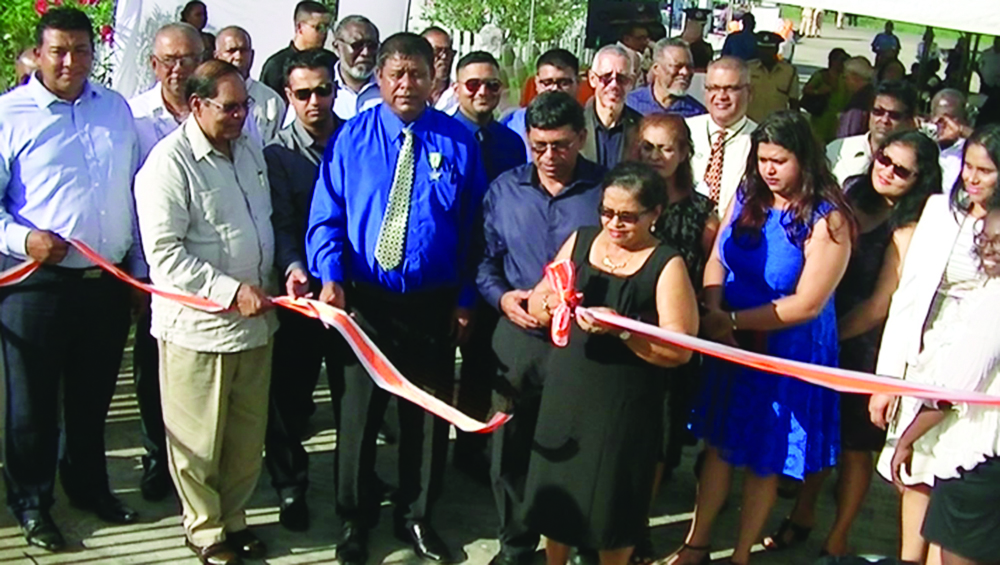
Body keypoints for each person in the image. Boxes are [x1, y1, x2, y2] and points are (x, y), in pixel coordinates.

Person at [306, 32, 487, 565]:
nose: (407, 84)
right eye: (396, 74)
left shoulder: (457, 142)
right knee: (359, 417)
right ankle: (353, 519)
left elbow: (475, 228)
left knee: (426, 417)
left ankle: (417, 515)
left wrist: (465, 297)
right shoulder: (351, 140)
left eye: (418, 74)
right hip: (365, 303)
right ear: (380, 78)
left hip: (432, 303)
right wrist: (331, 275)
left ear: (434, 78)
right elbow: (327, 217)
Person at [668, 110, 854, 565]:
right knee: (720, 445)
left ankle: (741, 555)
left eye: (780, 160)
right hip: (730, 336)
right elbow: (717, 258)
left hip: (786, 348)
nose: (769, 169)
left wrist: (732, 322)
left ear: (804, 160)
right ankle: (697, 542)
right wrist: (713, 310)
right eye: (763, 159)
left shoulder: (828, 220)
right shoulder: (749, 194)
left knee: (764, 456)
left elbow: (808, 303)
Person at [0, 7, 142, 552]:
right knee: (31, 407)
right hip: (36, 284)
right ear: (38, 53)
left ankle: (88, 487)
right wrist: (23, 240)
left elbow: (130, 193)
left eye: (80, 50)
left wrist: (133, 272)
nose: (69, 61)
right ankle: (32, 503)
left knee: (92, 399)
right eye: (58, 50)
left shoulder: (115, 110)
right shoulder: (12, 115)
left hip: (103, 285)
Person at [763, 130, 941, 557]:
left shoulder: (911, 229)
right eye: (884, 159)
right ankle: (802, 515)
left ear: (921, 179)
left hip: (863, 348)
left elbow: (881, 304)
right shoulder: (850, 195)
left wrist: (831, 338)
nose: (887, 171)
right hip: (819, 325)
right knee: (817, 436)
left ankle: (838, 535)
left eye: (901, 170)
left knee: (855, 449)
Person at [135, 59, 276, 565]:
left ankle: (235, 518)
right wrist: (228, 289)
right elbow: (165, 255)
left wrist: (287, 271)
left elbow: (263, 224)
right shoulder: (167, 165)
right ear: (197, 105)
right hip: (199, 330)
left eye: (245, 106)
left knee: (244, 435)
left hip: (256, 327)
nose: (240, 115)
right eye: (229, 107)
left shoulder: (248, 151)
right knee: (198, 439)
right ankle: (204, 528)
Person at [521, 162, 699, 565]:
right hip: (569, 392)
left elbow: (680, 349)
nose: (614, 224)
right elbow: (538, 298)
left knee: (613, 504)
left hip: (624, 402)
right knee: (558, 487)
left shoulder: (666, 264)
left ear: (655, 214)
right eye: (606, 212)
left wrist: (622, 330)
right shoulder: (581, 241)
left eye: (627, 216)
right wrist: (552, 303)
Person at [478, 90, 605, 565]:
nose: (550, 157)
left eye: (562, 146)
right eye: (539, 146)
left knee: (578, 447)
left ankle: (575, 542)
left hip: (582, 343)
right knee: (510, 446)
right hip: (519, 338)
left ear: (582, 138)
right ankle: (515, 543)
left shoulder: (603, 193)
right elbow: (486, 262)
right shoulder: (504, 190)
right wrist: (503, 298)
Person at [870, 124, 1000, 565]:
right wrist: (887, 380)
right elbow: (906, 299)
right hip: (924, 355)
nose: (973, 178)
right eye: (968, 167)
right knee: (913, 471)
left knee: (955, 468)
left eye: (986, 171)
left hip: (978, 371)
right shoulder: (939, 212)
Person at [889, 208, 1000, 565]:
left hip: (979, 462)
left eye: (999, 242)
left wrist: (905, 440)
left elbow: (951, 390)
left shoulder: (994, 302)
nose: (989, 249)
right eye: (984, 239)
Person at [262, 48, 343, 534]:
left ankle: (358, 478)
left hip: (350, 294)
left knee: (353, 395)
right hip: (300, 296)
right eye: (304, 93)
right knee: (289, 400)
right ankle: (290, 486)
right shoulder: (277, 155)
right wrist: (294, 267)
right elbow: (282, 224)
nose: (315, 101)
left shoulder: (355, 141)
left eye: (323, 90)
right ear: (289, 96)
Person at [126, 21, 205, 505]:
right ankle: (159, 457)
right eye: (168, 60)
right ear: (154, 65)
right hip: (153, 271)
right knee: (151, 371)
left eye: (188, 58)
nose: (178, 69)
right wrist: (137, 272)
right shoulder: (132, 118)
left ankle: (201, 467)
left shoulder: (231, 111)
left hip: (215, 270)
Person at [634, 115, 720, 528]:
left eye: (666, 148)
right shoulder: (625, 198)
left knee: (662, 431)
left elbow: (710, 268)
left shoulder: (701, 210)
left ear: (684, 153)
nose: (656, 156)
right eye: (648, 147)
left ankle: (642, 523)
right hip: (630, 326)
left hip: (676, 330)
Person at [449, 50, 528, 483]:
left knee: (485, 368)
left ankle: (475, 450)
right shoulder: (441, 136)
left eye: (492, 85)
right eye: (473, 84)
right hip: (449, 270)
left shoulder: (511, 143)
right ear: (457, 88)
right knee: (440, 374)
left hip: (496, 273)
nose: (483, 92)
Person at [687, 56, 756, 213]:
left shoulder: (761, 142)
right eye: (713, 88)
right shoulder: (684, 130)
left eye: (731, 88)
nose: (721, 96)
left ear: (749, 92)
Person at [827, 80, 918, 185]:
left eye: (894, 115)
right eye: (878, 112)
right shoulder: (837, 150)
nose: (884, 120)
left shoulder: (915, 162)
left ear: (910, 122)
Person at [501, 49, 580, 157]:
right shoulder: (512, 125)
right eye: (547, 83)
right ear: (537, 83)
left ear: (578, 82)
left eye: (564, 83)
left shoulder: (589, 124)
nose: (554, 89)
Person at [215, 26, 287, 144]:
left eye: (243, 51)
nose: (238, 57)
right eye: (231, 51)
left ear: (252, 55)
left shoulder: (272, 101)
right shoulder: (207, 98)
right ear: (217, 56)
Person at [582, 45, 641, 170]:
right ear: (592, 79)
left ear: (631, 82)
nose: (614, 85)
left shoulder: (641, 128)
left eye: (622, 78)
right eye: (606, 77)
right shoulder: (575, 124)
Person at [259, 1, 332, 97]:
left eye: (327, 27)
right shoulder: (276, 66)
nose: (324, 33)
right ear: (299, 28)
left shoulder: (330, 61)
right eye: (319, 27)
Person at [626, 38, 707, 118]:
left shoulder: (698, 114)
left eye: (689, 67)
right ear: (656, 68)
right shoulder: (630, 104)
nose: (685, 72)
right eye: (677, 66)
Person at [331, 15, 380, 120]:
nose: (366, 53)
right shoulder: (318, 89)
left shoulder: (390, 90)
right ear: (337, 47)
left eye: (372, 46)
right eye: (357, 45)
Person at [745, 32, 800, 123]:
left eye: (768, 49)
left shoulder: (789, 71)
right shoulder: (748, 68)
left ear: (776, 50)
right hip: (750, 123)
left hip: (777, 125)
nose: (765, 53)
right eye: (762, 49)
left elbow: (794, 102)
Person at [802, 48, 850, 144]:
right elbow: (806, 90)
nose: (843, 64)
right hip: (821, 119)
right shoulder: (822, 75)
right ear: (833, 61)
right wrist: (819, 91)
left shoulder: (846, 78)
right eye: (841, 60)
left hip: (839, 121)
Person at [930, 89, 974, 193]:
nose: (946, 124)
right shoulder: (925, 144)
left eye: (952, 118)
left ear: (964, 119)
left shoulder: (970, 148)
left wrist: (961, 130)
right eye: (940, 119)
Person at [836, 56, 876, 139]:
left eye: (846, 77)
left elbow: (847, 134)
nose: (844, 82)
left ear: (856, 77)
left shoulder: (858, 104)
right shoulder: (873, 94)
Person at [422, 26, 458, 114]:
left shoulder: (459, 97)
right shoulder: (409, 95)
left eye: (448, 52)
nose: (444, 57)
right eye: (437, 51)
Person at [617, 23, 651, 87]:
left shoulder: (641, 54)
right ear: (626, 39)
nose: (645, 42)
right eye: (640, 38)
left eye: (646, 38)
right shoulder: (627, 55)